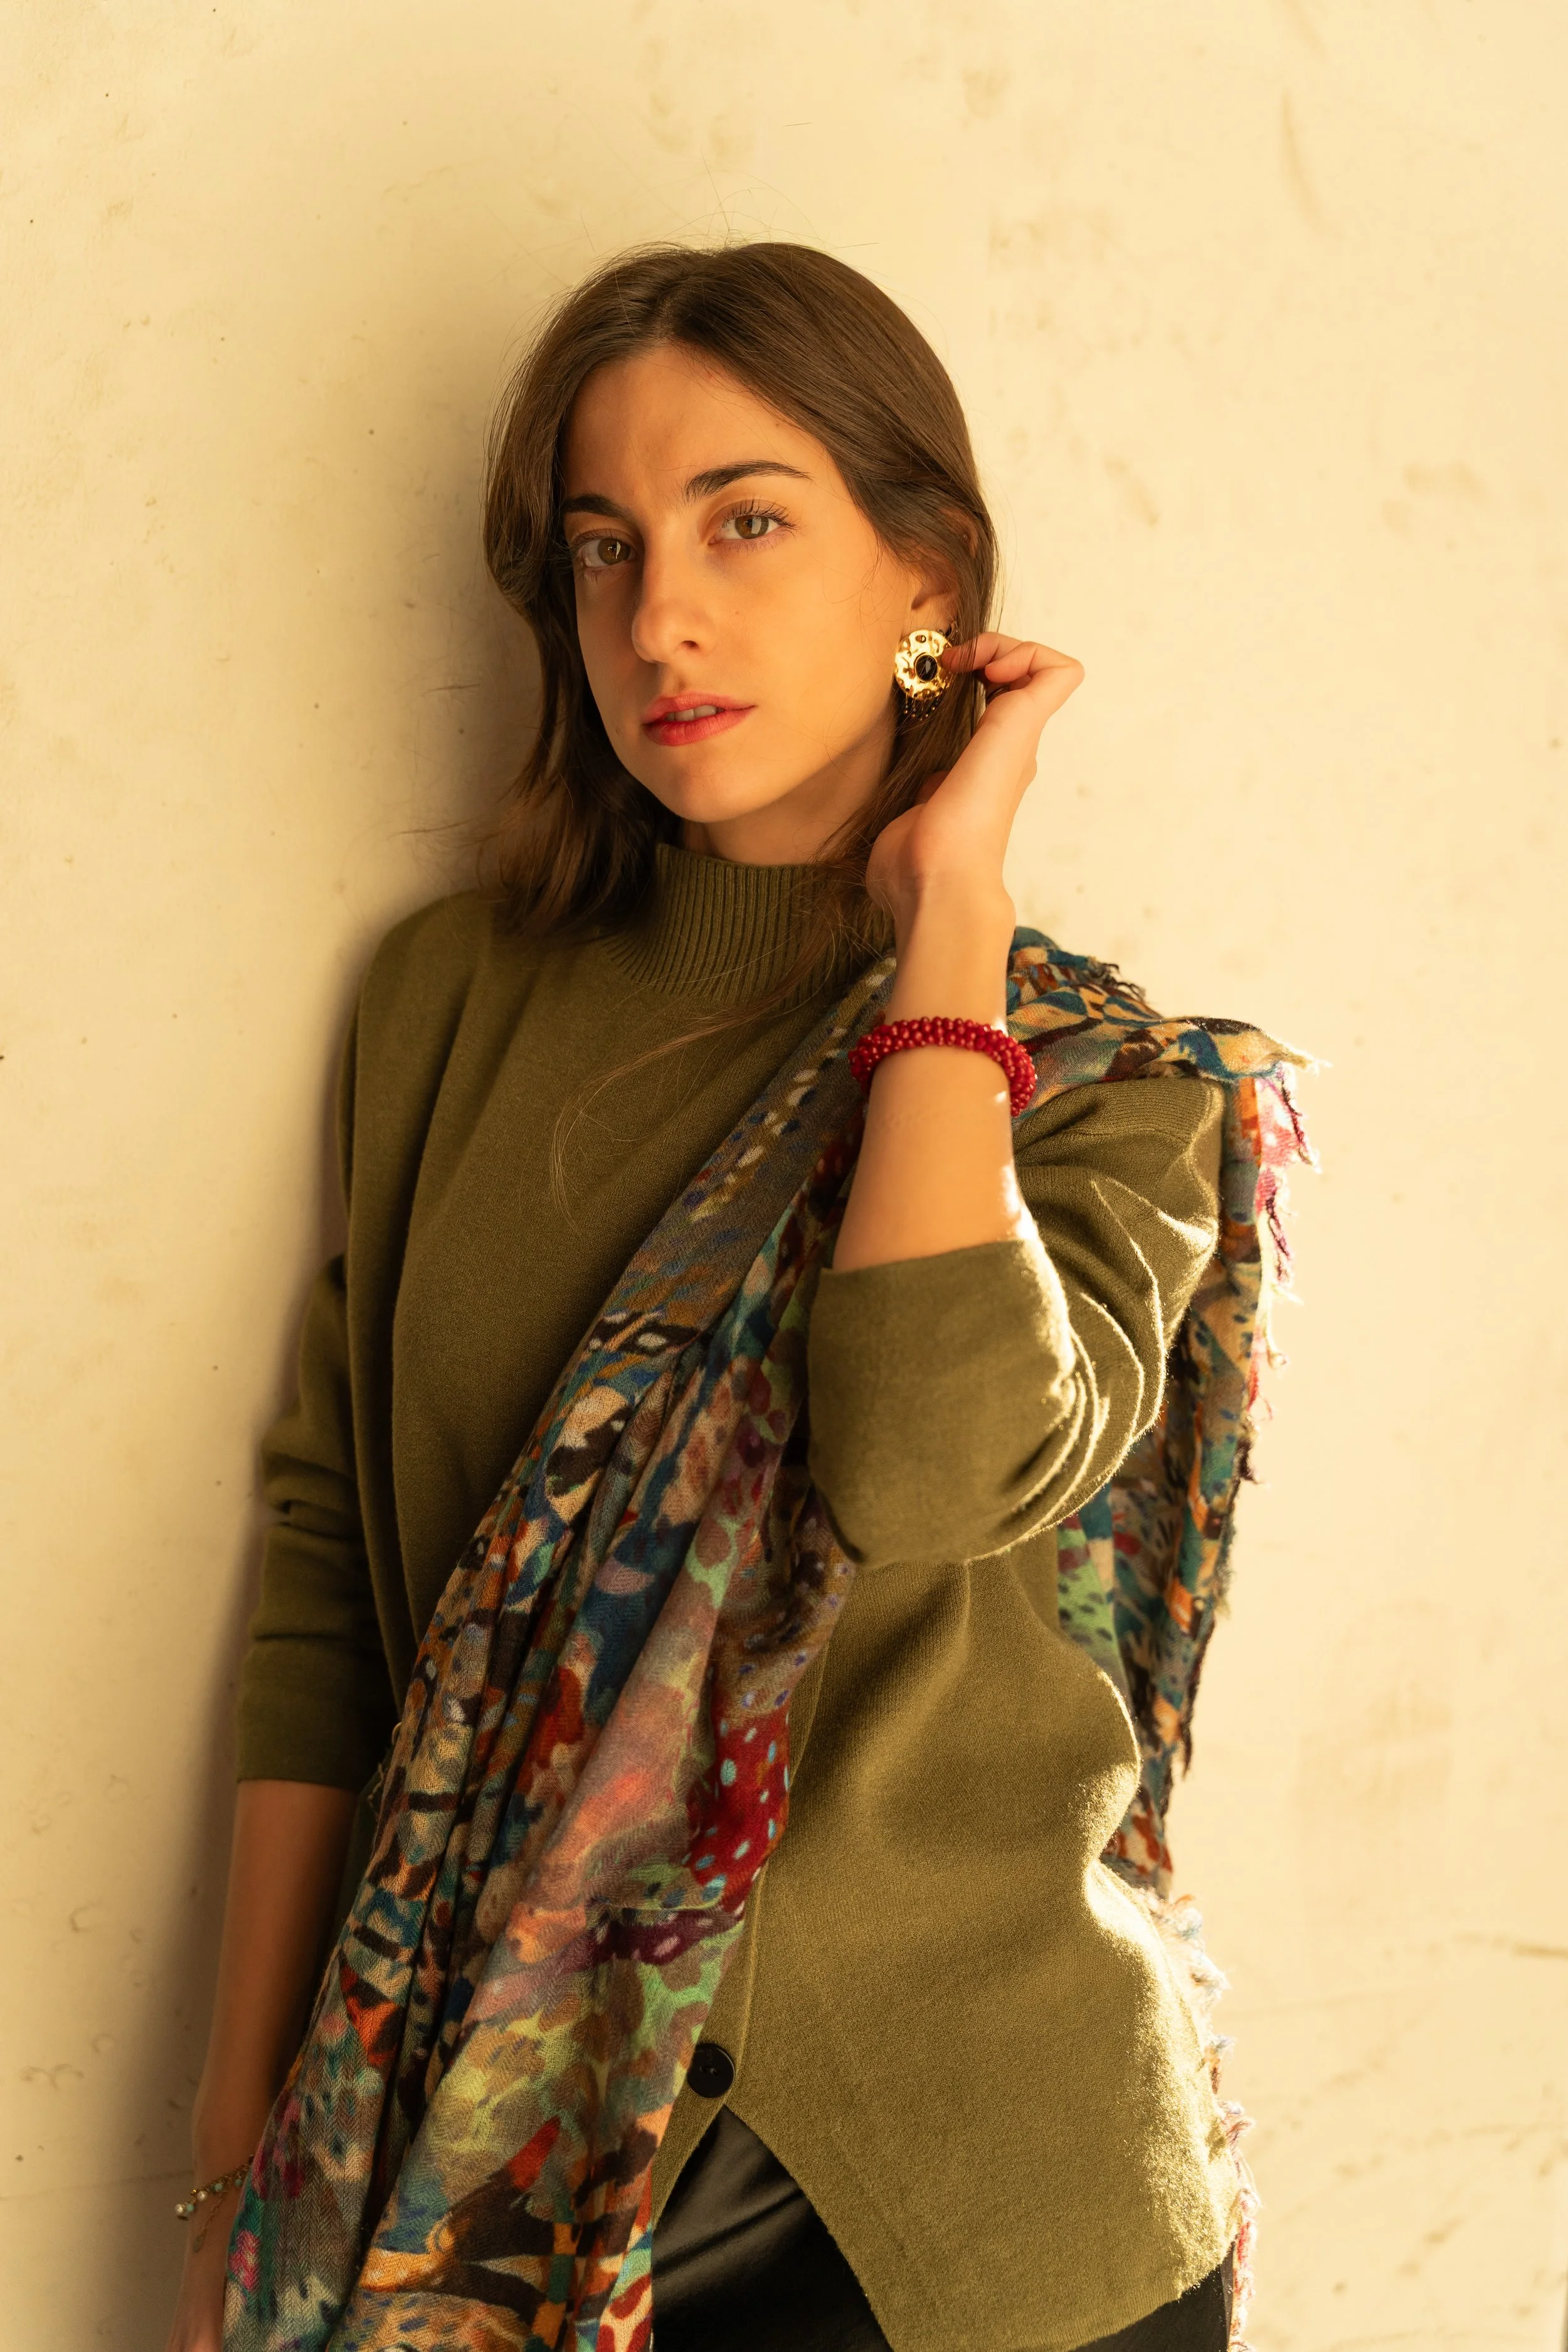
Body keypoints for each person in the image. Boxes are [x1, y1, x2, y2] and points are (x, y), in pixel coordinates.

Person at [164, 240, 1300, 2352]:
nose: (657, 616)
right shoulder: (447, 1002)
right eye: (600, 552)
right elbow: (334, 1574)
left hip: (980, 2218)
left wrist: (946, 912)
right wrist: (246, 2140)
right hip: (495, 2178)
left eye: (746, 521)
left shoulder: (1106, 1093)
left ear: (926, 581)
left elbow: (927, 1454)